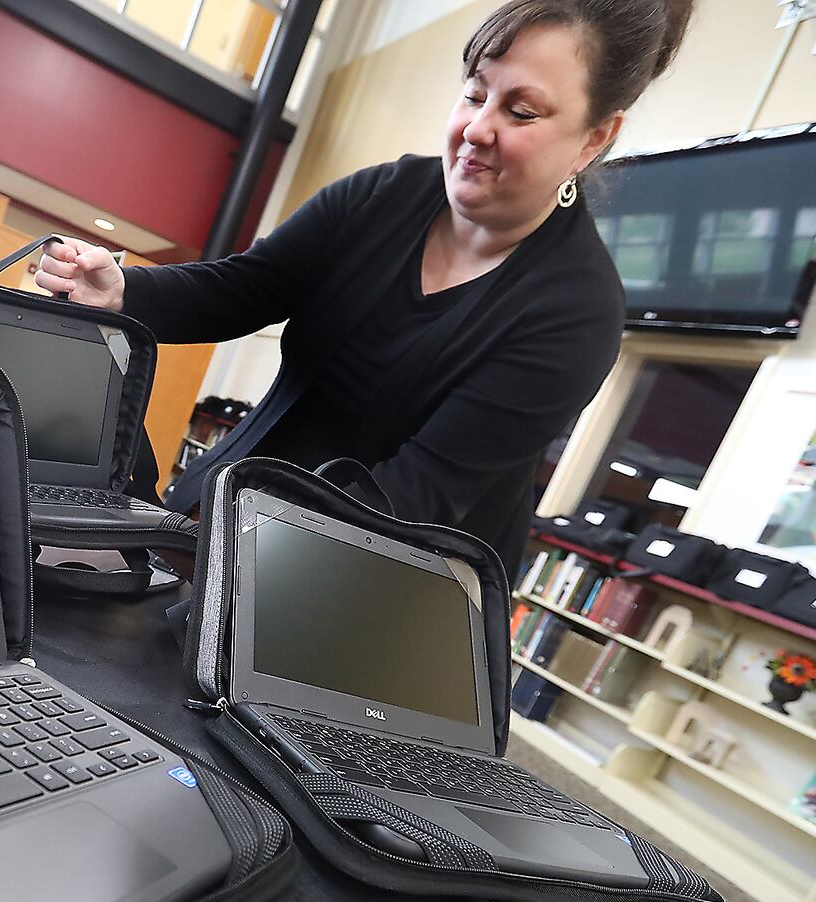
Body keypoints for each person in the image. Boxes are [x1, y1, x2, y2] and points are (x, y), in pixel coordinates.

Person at [36, 0, 695, 579]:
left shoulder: (576, 312)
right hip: (224, 515)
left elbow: (411, 496)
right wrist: (120, 289)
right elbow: (245, 287)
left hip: (373, 593)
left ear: (596, 137)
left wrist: (228, 569)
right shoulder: (385, 194)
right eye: (474, 93)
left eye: (521, 111)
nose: (477, 128)